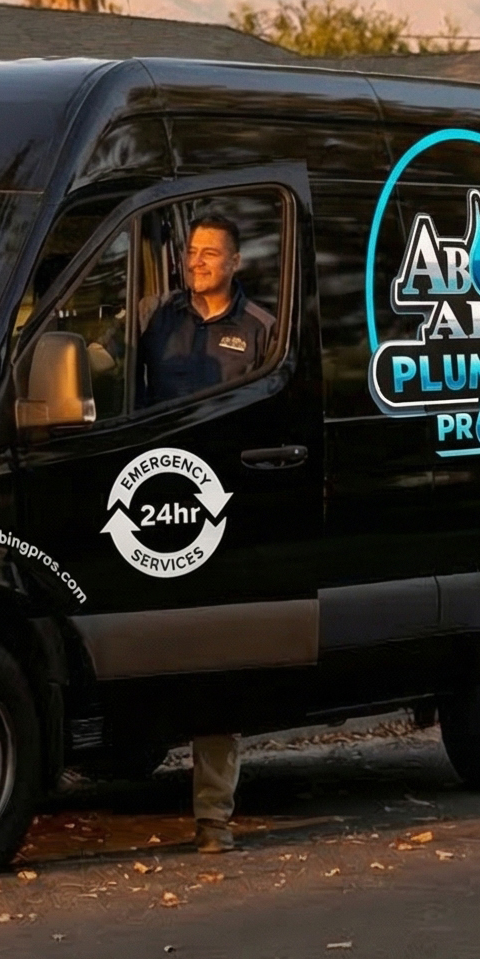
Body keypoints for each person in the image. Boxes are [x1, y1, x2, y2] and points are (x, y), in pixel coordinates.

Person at [139, 212, 275, 852]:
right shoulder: (157, 321)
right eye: (192, 251)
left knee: (214, 665)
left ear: (236, 262)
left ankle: (213, 815)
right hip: (151, 508)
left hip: (221, 515)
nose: (197, 261)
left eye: (211, 253)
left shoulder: (262, 331)